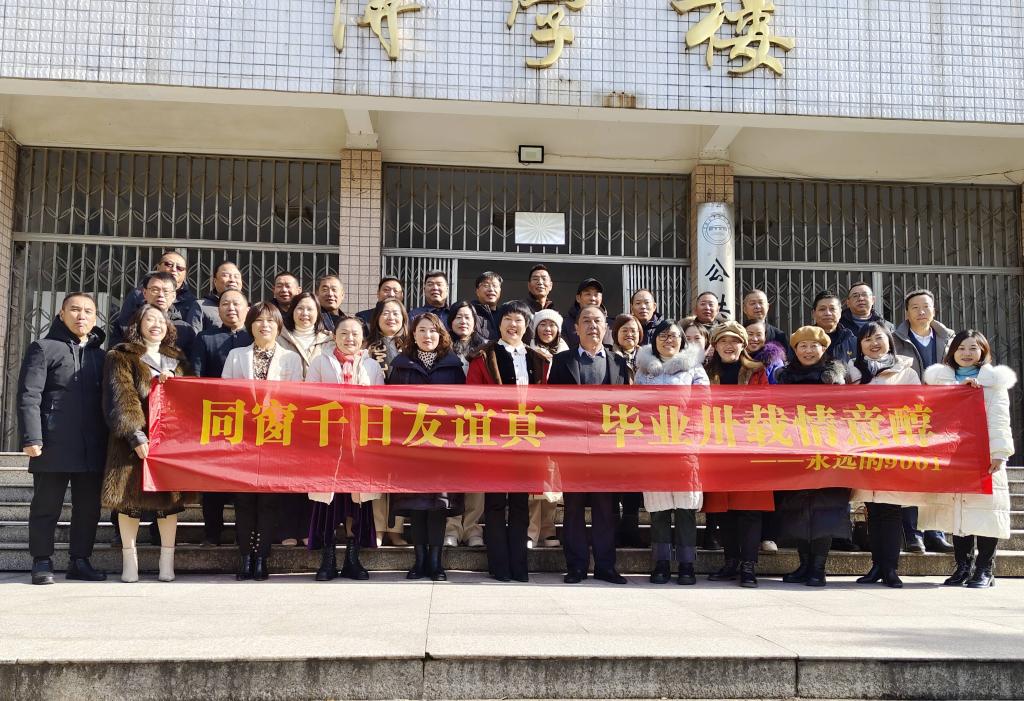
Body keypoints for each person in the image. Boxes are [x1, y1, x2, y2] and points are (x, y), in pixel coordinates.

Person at [18, 292, 108, 585]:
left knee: (88, 508)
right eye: (75, 310)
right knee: (46, 505)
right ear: (61, 313)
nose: (81, 316)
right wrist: (32, 436)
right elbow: (29, 395)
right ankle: (42, 560)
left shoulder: (101, 356)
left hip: (92, 444)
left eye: (88, 311)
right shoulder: (43, 348)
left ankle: (80, 561)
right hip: (52, 441)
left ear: (95, 317)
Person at [101, 304, 194, 583]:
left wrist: (176, 382)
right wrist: (135, 435)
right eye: (149, 319)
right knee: (128, 501)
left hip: (169, 441)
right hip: (132, 441)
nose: (156, 324)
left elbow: (192, 395)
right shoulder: (121, 355)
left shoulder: (177, 358)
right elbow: (121, 397)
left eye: (161, 320)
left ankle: (167, 561)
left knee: (169, 503)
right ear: (138, 324)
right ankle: (129, 562)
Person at [921, 330, 1015, 588]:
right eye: (961, 348)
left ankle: (984, 569)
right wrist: (957, 392)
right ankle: (963, 566)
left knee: (986, 514)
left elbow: (999, 420)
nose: (966, 353)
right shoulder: (940, 381)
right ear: (952, 351)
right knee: (958, 514)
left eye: (973, 348)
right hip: (953, 456)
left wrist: (999, 453)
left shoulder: (993, 383)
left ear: (983, 351)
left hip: (984, 456)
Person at [548, 304, 632, 585]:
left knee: (606, 510)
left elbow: (626, 406)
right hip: (572, 449)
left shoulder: (618, 363)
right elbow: (552, 406)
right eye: (586, 321)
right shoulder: (562, 361)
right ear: (576, 328)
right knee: (573, 509)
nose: (592, 326)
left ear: (606, 328)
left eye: (597, 321)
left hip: (606, 450)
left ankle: (606, 567)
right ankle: (576, 566)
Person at [466, 301, 548, 582]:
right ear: (499, 324)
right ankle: (499, 565)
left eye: (519, 320)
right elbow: (472, 398)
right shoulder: (483, 357)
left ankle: (519, 565)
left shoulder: (538, 359)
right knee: (495, 504)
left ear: (527, 326)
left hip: (527, 440)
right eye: (508, 319)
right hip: (495, 441)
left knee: (521, 504)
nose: (513, 325)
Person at [222, 302, 304, 581]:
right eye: (259, 320)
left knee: (269, 501)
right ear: (250, 325)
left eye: (270, 320)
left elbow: (295, 398)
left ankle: (261, 558)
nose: (264, 325)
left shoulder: (290, 359)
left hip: (275, 438)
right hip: (243, 438)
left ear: (278, 326)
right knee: (244, 500)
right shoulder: (236, 356)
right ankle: (245, 557)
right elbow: (225, 394)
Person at [387, 312, 467, 581]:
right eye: (421, 330)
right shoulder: (402, 365)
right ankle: (419, 560)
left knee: (437, 507)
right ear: (413, 334)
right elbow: (391, 406)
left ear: (441, 334)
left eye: (432, 331)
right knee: (416, 506)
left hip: (443, 448)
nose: (427, 335)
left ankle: (436, 562)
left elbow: (462, 407)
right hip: (411, 448)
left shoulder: (453, 366)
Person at [306, 315, 385, 581]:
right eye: (344, 333)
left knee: (356, 502)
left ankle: (353, 558)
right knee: (329, 503)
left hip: (359, 444)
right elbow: (309, 399)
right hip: (328, 443)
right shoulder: (320, 362)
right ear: (334, 336)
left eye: (355, 334)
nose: (349, 338)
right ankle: (327, 559)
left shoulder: (372, 365)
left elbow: (380, 404)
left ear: (363, 338)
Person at [847, 322, 923, 588]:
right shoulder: (852, 372)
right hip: (863, 448)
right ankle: (877, 565)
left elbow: (917, 407)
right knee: (872, 508)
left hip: (894, 447)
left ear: (889, 341)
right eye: (867, 339)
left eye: (878, 338)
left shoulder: (906, 372)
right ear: (860, 345)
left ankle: (890, 568)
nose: (874, 344)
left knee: (890, 508)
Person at [634, 318, 708, 585]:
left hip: (685, 445)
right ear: (654, 341)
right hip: (654, 446)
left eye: (674, 335)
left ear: (682, 340)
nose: (668, 340)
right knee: (659, 507)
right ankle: (661, 564)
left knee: (686, 507)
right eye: (663, 336)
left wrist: (690, 434)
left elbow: (704, 404)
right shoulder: (643, 371)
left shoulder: (695, 369)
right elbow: (637, 407)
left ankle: (687, 565)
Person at [774, 325, 848, 587]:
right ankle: (803, 565)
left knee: (824, 510)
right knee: (796, 509)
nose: (808, 351)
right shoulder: (784, 376)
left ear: (823, 348)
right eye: (802, 346)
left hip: (827, 450)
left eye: (813, 345)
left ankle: (818, 568)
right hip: (794, 449)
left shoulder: (834, 377)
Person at [702, 322, 774, 588]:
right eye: (723, 341)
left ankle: (748, 565)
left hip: (749, 447)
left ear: (743, 344)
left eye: (734, 341)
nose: (729, 346)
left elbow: (765, 406)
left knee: (750, 510)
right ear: (715, 345)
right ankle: (730, 561)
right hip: (717, 448)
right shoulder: (706, 372)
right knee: (724, 510)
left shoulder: (757, 371)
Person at [891, 289, 956, 553]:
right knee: (910, 474)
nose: (921, 311)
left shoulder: (950, 340)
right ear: (906, 313)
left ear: (934, 310)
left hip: (941, 416)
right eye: (915, 307)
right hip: (908, 416)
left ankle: (935, 532)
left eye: (926, 306)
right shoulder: (895, 340)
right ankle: (912, 533)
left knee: (937, 474)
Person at [189, 289, 252, 547]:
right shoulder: (205, 338)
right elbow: (195, 377)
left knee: (244, 482)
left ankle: (243, 534)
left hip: (250, 422)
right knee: (213, 480)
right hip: (215, 419)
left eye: (237, 303)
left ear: (247, 309)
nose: (231, 308)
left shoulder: (254, 337)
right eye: (225, 304)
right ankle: (212, 534)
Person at [276, 292, 333, 547]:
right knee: (288, 472)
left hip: (319, 416)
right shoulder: (279, 337)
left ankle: (310, 529)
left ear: (318, 313)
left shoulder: (329, 340)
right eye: (300, 308)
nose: (305, 314)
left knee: (313, 474)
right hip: (286, 413)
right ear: (292, 311)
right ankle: (287, 529)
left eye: (310, 309)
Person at [442, 301, 487, 549]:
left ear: (475, 321)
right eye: (458, 317)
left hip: (478, 421)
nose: (463, 321)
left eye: (468, 317)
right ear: (450, 322)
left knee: (476, 478)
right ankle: (451, 527)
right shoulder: (442, 348)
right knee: (452, 477)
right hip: (449, 421)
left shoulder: (485, 349)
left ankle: (472, 528)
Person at [366, 298, 409, 545]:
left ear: (403, 318)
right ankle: (379, 528)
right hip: (375, 419)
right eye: (386, 313)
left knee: (399, 476)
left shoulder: (412, 345)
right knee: (377, 475)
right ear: (377, 318)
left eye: (396, 313)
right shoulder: (368, 346)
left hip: (404, 420)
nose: (391, 318)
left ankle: (396, 529)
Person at [526, 308, 566, 548]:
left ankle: (548, 529)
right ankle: (531, 530)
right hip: (533, 420)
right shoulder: (527, 352)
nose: (547, 329)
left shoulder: (566, 354)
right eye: (542, 324)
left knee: (552, 476)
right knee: (533, 477)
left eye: (552, 325)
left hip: (557, 423)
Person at [114, 251, 203, 344]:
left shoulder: (191, 301)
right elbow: (123, 326)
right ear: (158, 267)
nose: (174, 269)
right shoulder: (137, 294)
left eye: (179, 268)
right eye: (169, 264)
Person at [610, 312, 644, 546]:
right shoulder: (608, 357)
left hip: (640, 427)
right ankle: (612, 531)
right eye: (624, 330)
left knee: (635, 482)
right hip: (614, 425)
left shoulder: (649, 357)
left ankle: (631, 530)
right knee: (614, 481)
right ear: (616, 334)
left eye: (633, 330)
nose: (629, 334)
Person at [811, 290, 857, 364]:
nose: (828, 313)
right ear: (813, 313)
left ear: (840, 312)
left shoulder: (852, 341)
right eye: (822, 309)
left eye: (832, 309)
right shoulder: (802, 339)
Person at [562, 278, 608, 347]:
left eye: (596, 295)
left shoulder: (611, 326)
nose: (592, 298)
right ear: (578, 298)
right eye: (588, 294)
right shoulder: (565, 325)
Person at [198, 260, 243, 330]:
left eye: (236, 276)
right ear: (215, 281)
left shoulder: (248, 309)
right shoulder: (201, 306)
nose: (232, 280)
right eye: (225, 275)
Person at [744, 320, 786, 384]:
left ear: (765, 337)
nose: (755, 339)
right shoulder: (736, 358)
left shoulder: (774, 361)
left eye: (759, 335)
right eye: (750, 334)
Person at [469, 271, 502, 340]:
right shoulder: (470, 312)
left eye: (495, 286)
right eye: (486, 286)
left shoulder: (504, 315)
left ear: (500, 290)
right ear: (477, 291)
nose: (491, 289)